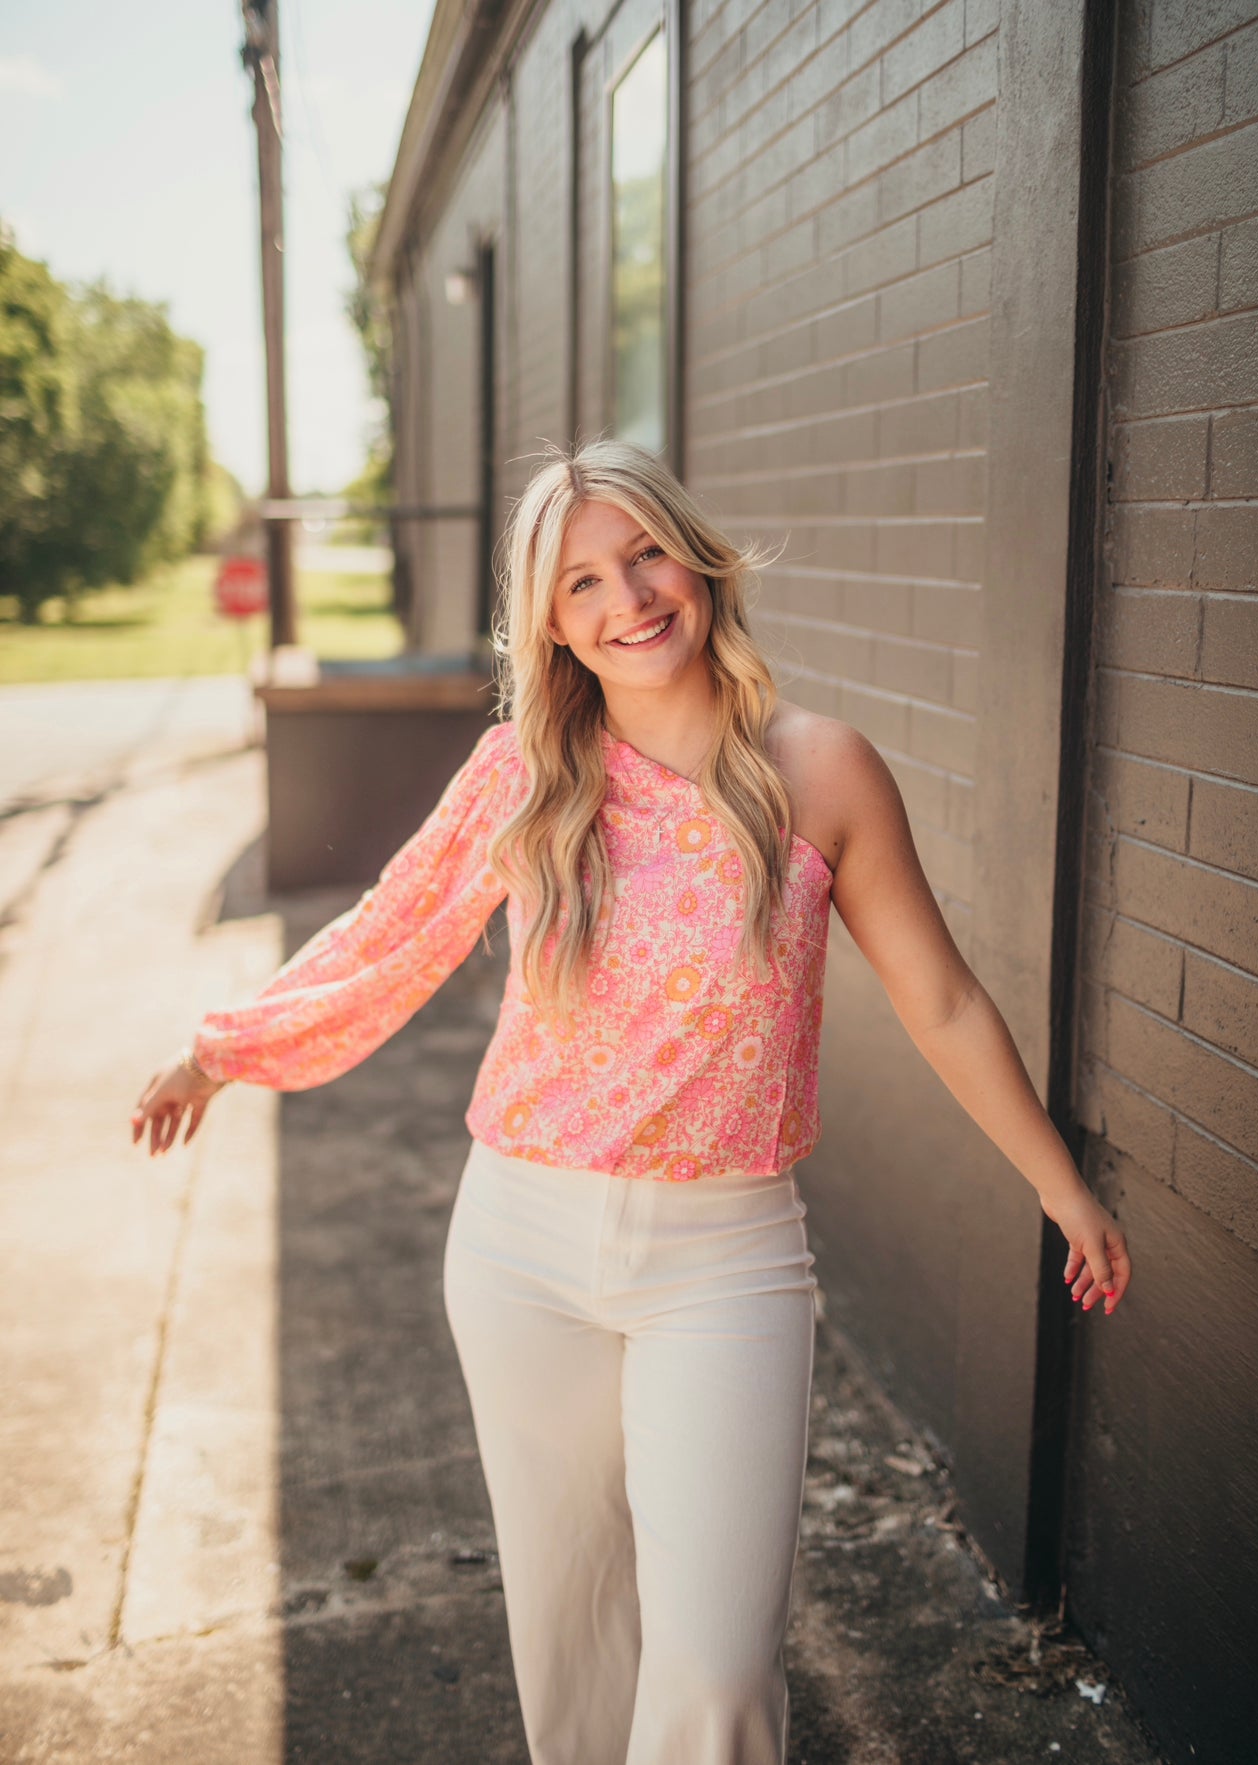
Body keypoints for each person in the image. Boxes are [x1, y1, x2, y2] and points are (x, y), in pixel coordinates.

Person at [132, 439, 1131, 1765]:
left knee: (714, 1673)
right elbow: (388, 937)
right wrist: (225, 1048)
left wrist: (1056, 1183)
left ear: (695, 555)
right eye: (584, 581)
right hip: (520, 1248)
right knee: (574, 1639)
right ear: (551, 623)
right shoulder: (527, 775)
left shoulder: (818, 771)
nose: (629, 597)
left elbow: (939, 1000)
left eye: (645, 553)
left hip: (724, 1263)